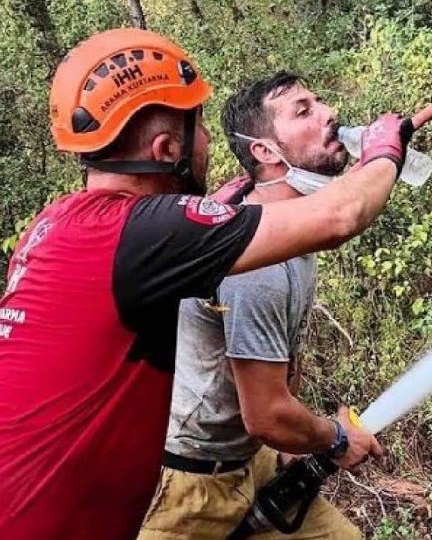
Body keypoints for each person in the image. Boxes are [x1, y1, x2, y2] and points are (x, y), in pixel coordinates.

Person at [0, 29, 410, 540]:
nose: (208, 144)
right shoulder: (145, 232)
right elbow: (340, 216)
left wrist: (211, 224)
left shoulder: (59, 224)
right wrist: (383, 153)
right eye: (199, 128)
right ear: (166, 146)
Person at [140, 72, 367, 540]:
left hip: (252, 460)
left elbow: (276, 372)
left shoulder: (288, 228)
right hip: (189, 486)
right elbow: (265, 415)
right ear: (264, 152)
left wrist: (289, 446)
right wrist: (337, 439)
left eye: (320, 100)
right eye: (303, 110)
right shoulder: (256, 264)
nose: (329, 114)